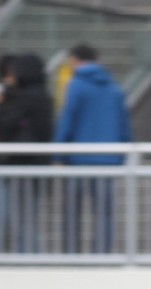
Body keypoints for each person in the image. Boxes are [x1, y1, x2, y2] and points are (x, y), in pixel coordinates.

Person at [53, 43, 131, 254]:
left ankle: (72, 254)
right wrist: (123, 155)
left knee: (72, 212)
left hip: (78, 160)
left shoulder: (75, 85)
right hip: (107, 160)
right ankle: (102, 255)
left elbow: (67, 120)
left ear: (75, 60)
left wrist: (58, 154)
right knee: (104, 213)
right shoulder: (114, 88)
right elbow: (124, 126)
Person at [0, 53, 54, 253]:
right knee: (23, 220)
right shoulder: (44, 96)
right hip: (31, 167)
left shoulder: (26, 98)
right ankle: (29, 260)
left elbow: (5, 124)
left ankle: (27, 261)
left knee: (21, 222)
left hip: (20, 168)